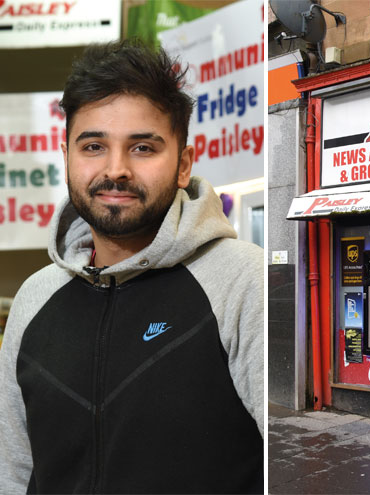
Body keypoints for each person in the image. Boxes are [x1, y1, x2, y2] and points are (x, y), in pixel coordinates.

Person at [0, 40, 264, 494]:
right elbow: (15, 470)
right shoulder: (34, 298)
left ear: (183, 165)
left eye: (142, 147)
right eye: (93, 146)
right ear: (67, 158)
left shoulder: (245, 283)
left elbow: (285, 465)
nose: (116, 168)